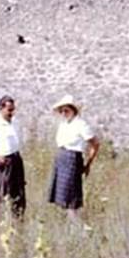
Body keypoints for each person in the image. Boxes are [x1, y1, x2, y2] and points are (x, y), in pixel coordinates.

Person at [46, 94, 100, 222]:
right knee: (62, 198)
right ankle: (68, 225)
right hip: (61, 158)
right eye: (62, 111)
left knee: (71, 199)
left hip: (72, 159)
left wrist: (88, 164)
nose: (64, 113)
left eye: (66, 110)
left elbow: (95, 143)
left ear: (73, 110)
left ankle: (76, 227)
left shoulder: (81, 124)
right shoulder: (64, 124)